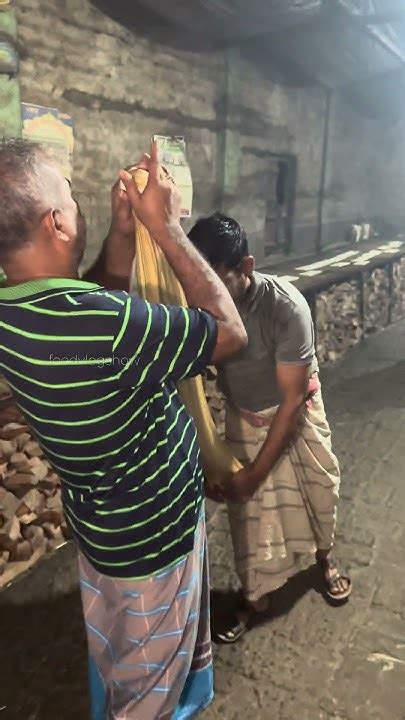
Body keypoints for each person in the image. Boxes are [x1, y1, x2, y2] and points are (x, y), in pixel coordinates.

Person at [0, 140, 247, 717]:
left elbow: (80, 301)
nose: (78, 202)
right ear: (56, 221)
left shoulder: (16, 313)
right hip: (154, 540)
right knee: (149, 693)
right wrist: (165, 228)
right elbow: (229, 332)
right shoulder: (113, 327)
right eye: (69, 194)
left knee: (120, 654)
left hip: (104, 529)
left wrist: (117, 234)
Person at [189, 213, 351, 643]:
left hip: (293, 413)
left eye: (216, 280)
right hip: (244, 415)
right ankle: (255, 594)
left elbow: (293, 400)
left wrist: (254, 474)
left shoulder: (285, 306)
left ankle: (324, 558)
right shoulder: (198, 306)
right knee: (251, 519)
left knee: (320, 490)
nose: (206, 293)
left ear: (246, 267)